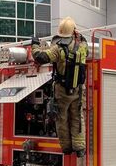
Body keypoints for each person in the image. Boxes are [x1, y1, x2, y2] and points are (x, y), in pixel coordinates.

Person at [30, 16, 88, 158]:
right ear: (73, 31)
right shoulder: (82, 46)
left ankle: (67, 148)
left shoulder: (58, 49)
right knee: (77, 117)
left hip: (61, 90)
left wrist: (35, 44)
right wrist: (78, 34)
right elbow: (85, 42)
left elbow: (40, 57)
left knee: (61, 118)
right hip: (78, 90)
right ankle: (79, 148)